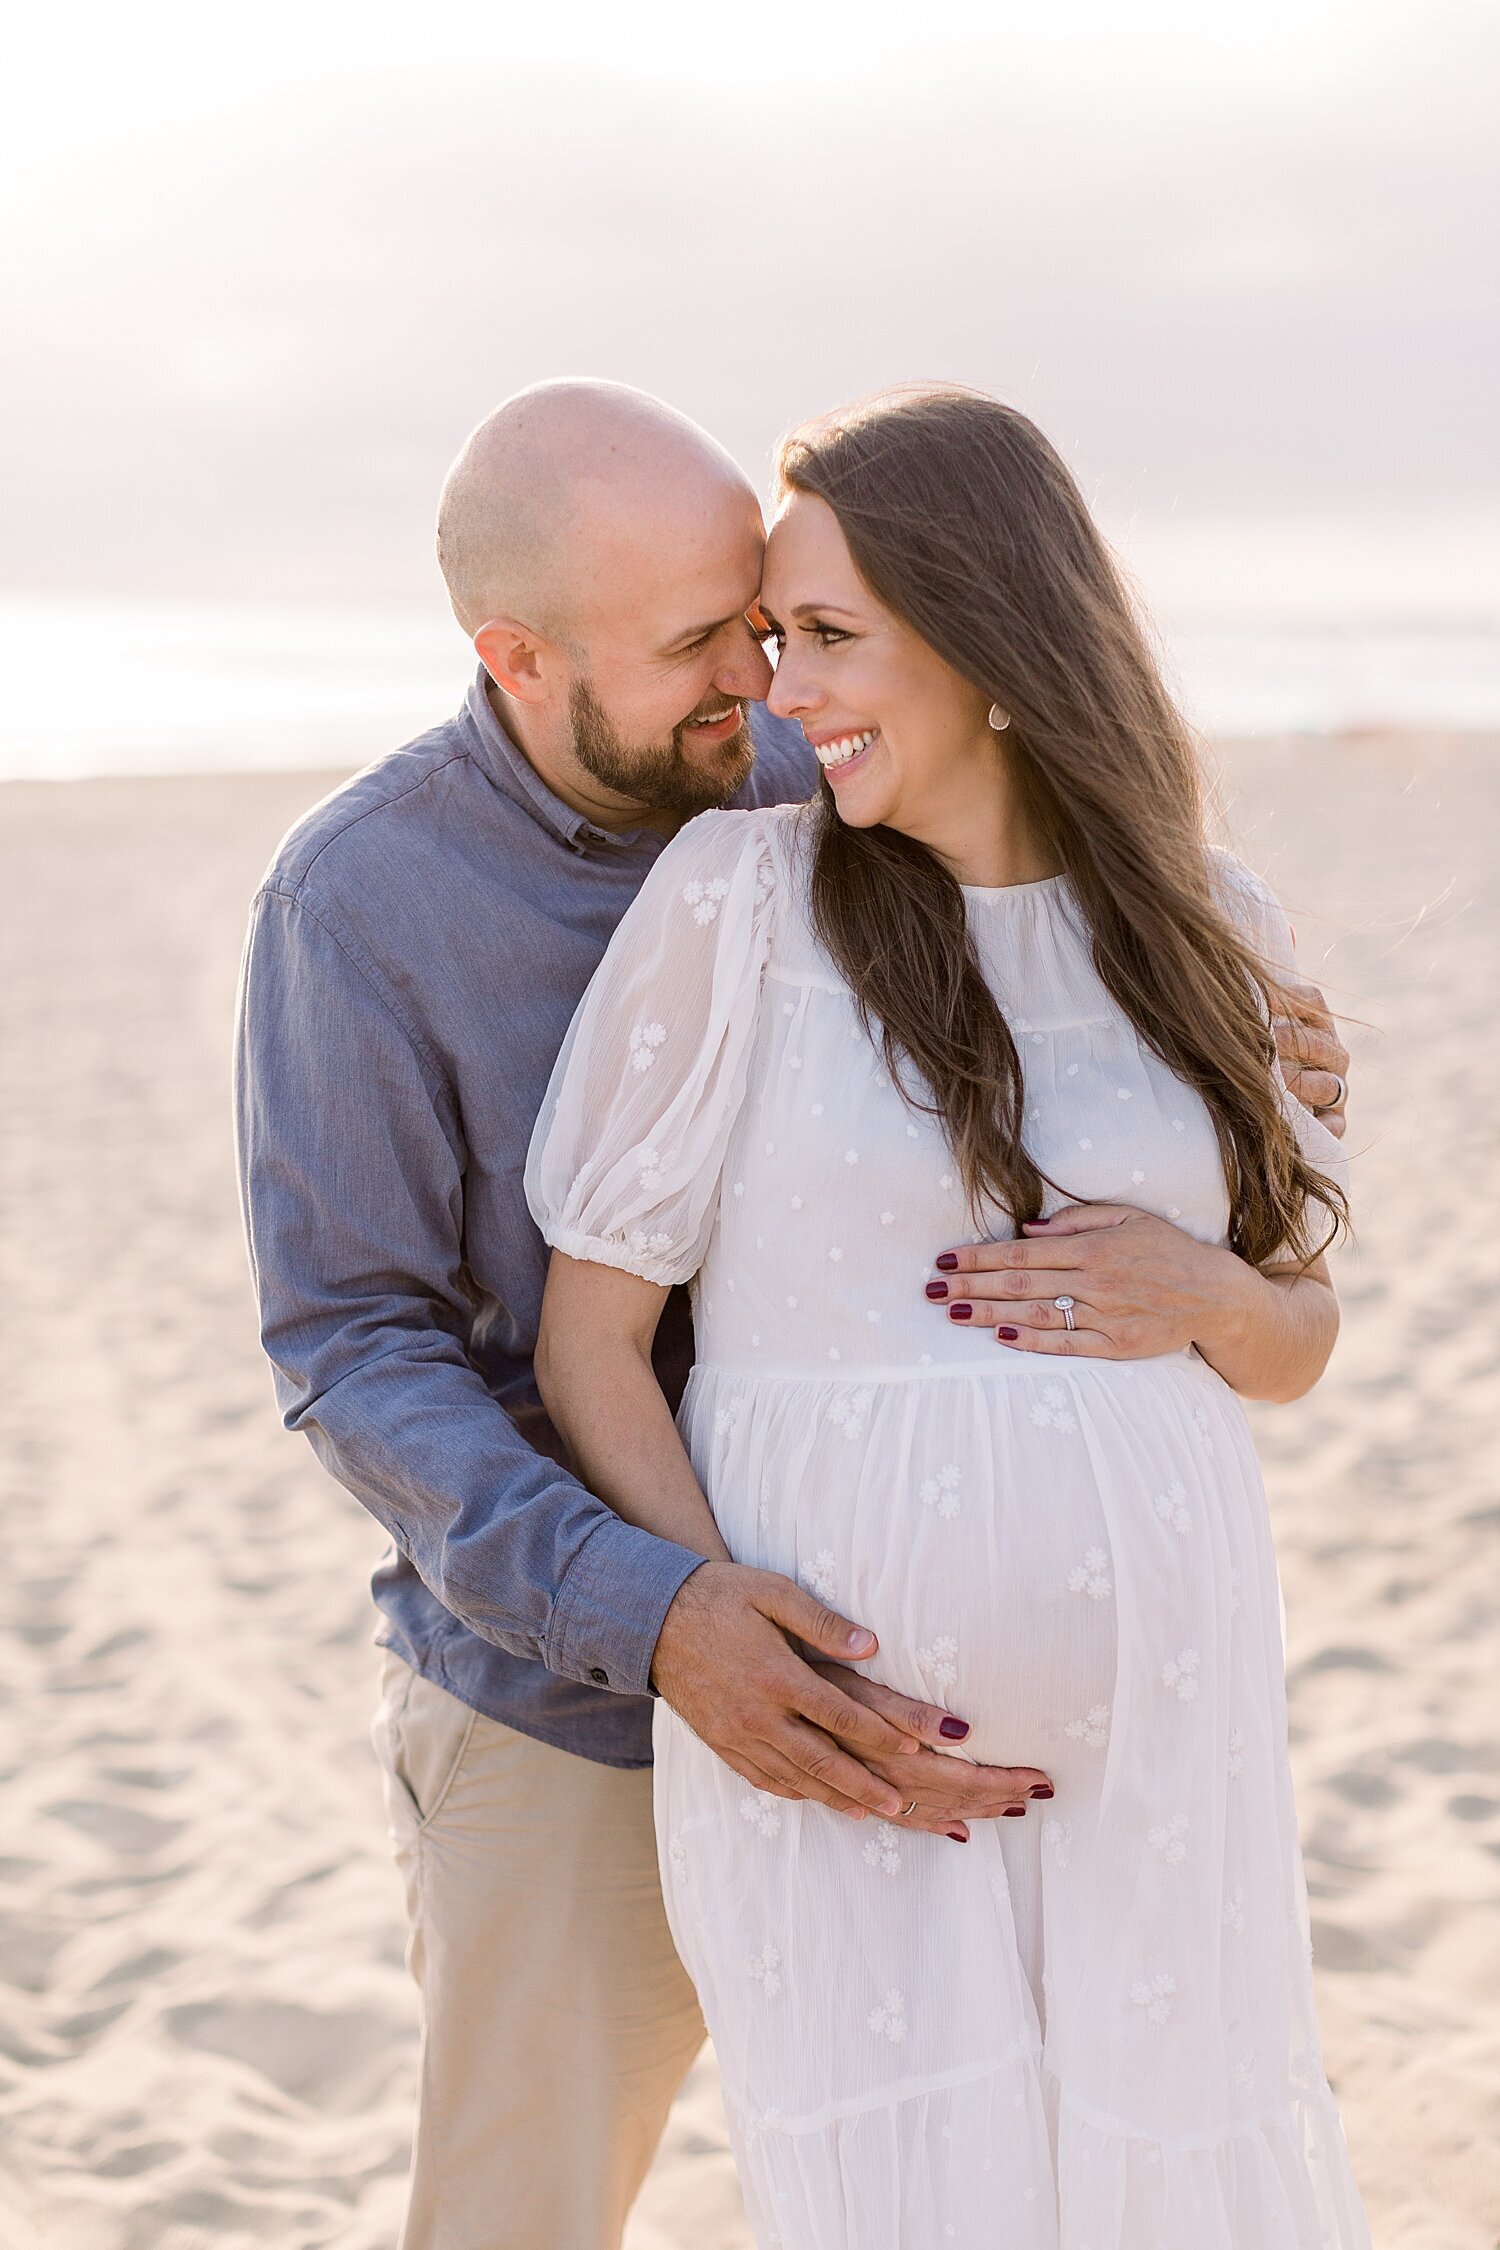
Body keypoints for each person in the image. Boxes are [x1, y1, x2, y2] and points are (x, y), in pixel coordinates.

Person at [234, 379, 1351, 2250]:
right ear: (518, 656)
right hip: (565, 1690)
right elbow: (354, 1345)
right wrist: (670, 1614)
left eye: (774, 623)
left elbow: (1224, 1196)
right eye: (706, 641)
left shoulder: (821, 779)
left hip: (1077, 1762)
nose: (758, 681)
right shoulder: (364, 903)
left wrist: (1237, 1164)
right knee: (527, 2204)